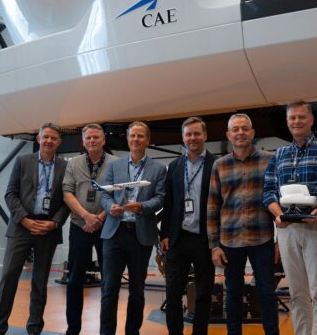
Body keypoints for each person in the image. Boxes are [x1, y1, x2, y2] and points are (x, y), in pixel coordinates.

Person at [263, 101, 317, 335]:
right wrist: (278, 215)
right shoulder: (279, 154)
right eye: (292, 118)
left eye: (301, 117)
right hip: (287, 229)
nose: (296, 121)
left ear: (311, 120)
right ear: (287, 122)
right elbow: (268, 191)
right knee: (297, 293)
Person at [0, 122, 70, 335]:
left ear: (59, 142)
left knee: (40, 282)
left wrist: (55, 222)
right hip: (21, 228)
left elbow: (67, 200)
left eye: (54, 138)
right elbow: (10, 194)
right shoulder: (22, 161)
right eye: (46, 137)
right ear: (38, 139)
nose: (49, 141)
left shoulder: (66, 167)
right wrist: (24, 219)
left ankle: (34, 329)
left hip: (48, 230)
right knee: (9, 278)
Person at [207, 113, 279, 335]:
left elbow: (278, 200)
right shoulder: (219, 165)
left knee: (267, 292)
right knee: (233, 294)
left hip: (262, 239)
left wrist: (279, 241)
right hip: (230, 241)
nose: (240, 133)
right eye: (235, 129)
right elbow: (212, 207)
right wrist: (214, 246)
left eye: (244, 128)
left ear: (252, 133)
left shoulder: (270, 160)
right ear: (228, 135)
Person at [99, 121, 166, 335]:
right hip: (114, 233)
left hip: (141, 235)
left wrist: (142, 207)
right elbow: (104, 194)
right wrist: (110, 207)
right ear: (128, 139)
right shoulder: (115, 166)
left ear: (148, 140)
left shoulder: (158, 169)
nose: (136, 139)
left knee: (137, 291)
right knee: (109, 289)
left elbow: (161, 198)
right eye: (132, 136)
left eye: (140, 136)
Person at [160, 117, 217, 335]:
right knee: (173, 292)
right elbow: (169, 203)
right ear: (183, 138)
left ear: (205, 136)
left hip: (205, 238)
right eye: (188, 134)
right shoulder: (174, 166)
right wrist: (165, 233)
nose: (193, 138)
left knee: (204, 293)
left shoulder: (216, 164)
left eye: (197, 133)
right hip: (178, 237)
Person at [63, 123, 118, 334]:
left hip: (107, 227)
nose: (92, 141)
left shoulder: (115, 163)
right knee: (74, 280)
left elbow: (118, 194)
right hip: (80, 226)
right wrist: (86, 216)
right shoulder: (73, 163)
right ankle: (72, 329)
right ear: (83, 141)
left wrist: (100, 218)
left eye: (96, 137)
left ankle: (106, 330)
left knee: (109, 281)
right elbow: (67, 193)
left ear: (103, 140)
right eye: (88, 138)